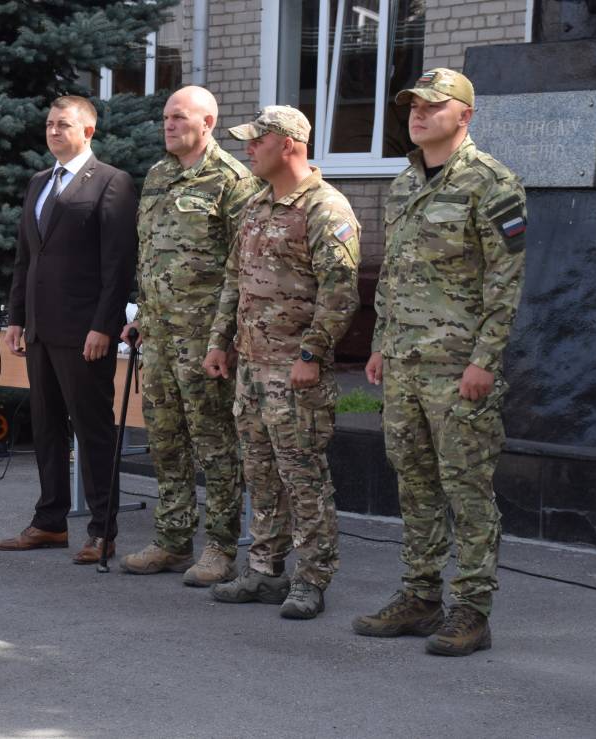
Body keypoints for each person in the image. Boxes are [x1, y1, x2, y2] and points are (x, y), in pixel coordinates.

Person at [352, 68, 526, 655]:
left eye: (432, 104)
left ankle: (471, 610)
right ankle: (420, 597)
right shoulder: (402, 184)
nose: (418, 114)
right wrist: (379, 343)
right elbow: (396, 277)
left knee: (467, 489)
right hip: (403, 365)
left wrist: (485, 361)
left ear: (465, 115)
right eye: (412, 106)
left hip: (459, 370)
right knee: (416, 485)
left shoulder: (491, 183)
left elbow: (505, 283)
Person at [204, 106, 361, 619]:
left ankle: (311, 578)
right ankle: (265, 570)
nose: (247, 150)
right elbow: (234, 280)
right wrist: (218, 342)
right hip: (251, 367)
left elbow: (340, 293)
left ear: (288, 145)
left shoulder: (326, 208)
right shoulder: (254, 206)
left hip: (296, 371)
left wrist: (312, 353)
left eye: (257, 142)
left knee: (303, 475)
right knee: (261, 473)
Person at [118, 86, 262, 586]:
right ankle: (173, 539)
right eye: (166, 117)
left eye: (179, 117)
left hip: (206, 342)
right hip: (158, 336)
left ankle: (221, 546)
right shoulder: (158, 175)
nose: (169, 124)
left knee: (215, 442)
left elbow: (241, 269)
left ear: (209, 123)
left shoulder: (232, 180)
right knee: (165, 440)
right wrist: (140, 313)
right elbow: (151, 254)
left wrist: (224, 338)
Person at [0, 96, 138, 564]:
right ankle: (49, 521)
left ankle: (102, 530)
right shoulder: (40, 182)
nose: (54, 131)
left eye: (64, 125)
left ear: (88, 132)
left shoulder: (111, 182)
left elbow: (118, 266)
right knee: (47, 427)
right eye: (50, 124)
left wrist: (105, 325)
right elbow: (25, 258)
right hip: (39, 329)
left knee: (93, 430)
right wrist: (16, 317)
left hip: (84, 334)